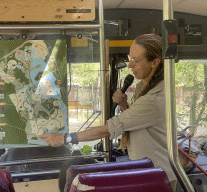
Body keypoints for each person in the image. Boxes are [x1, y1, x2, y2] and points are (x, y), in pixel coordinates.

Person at [39, 34, 177, 191]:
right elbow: (138, 122)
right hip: (145, 170)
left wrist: (66, 138)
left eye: (136, 61)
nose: (130, 66)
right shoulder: (142, 88)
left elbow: (109, 129)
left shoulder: (154, 98)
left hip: (157, 177)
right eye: (129, 58)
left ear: (155, 62)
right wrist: (124, 105)